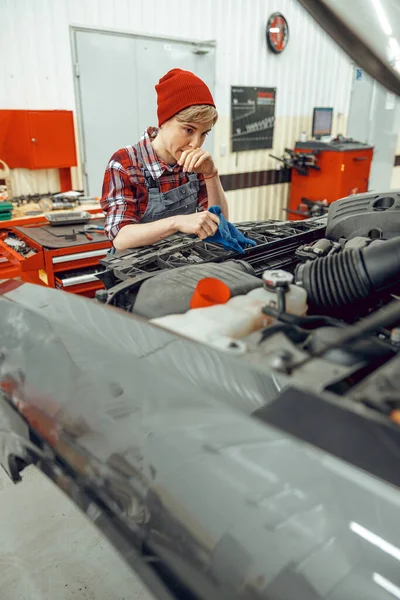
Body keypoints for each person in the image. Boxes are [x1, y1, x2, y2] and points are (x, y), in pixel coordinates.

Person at [101, 68, 229, 251]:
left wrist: (211, 174)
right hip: (132, 271)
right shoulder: (125, 163)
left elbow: (218, 223)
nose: (196, 143)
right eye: (189, 130)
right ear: (163, 121)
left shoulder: (195, 164)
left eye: (204, 134)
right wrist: (176, 223)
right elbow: (120, 238)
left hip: (179, 265)